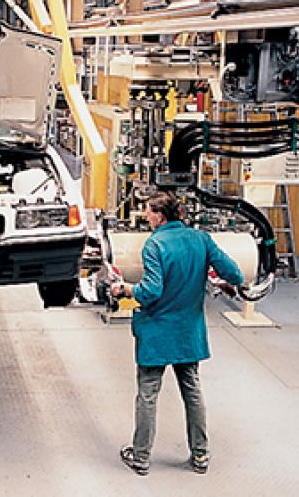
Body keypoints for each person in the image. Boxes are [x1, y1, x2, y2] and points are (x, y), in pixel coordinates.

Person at [112, 190, 244, 477]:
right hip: (188, 331)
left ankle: (141, 456)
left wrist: (125, 289)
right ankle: (200, 455)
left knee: (148, 394)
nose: (145, 216)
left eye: (147, 211)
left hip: (158, 331)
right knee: (192, 391)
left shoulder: (155, 245)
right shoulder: (201, 239)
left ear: (159, 216)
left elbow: (151, 291)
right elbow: (235, 273)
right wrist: (218, 281)